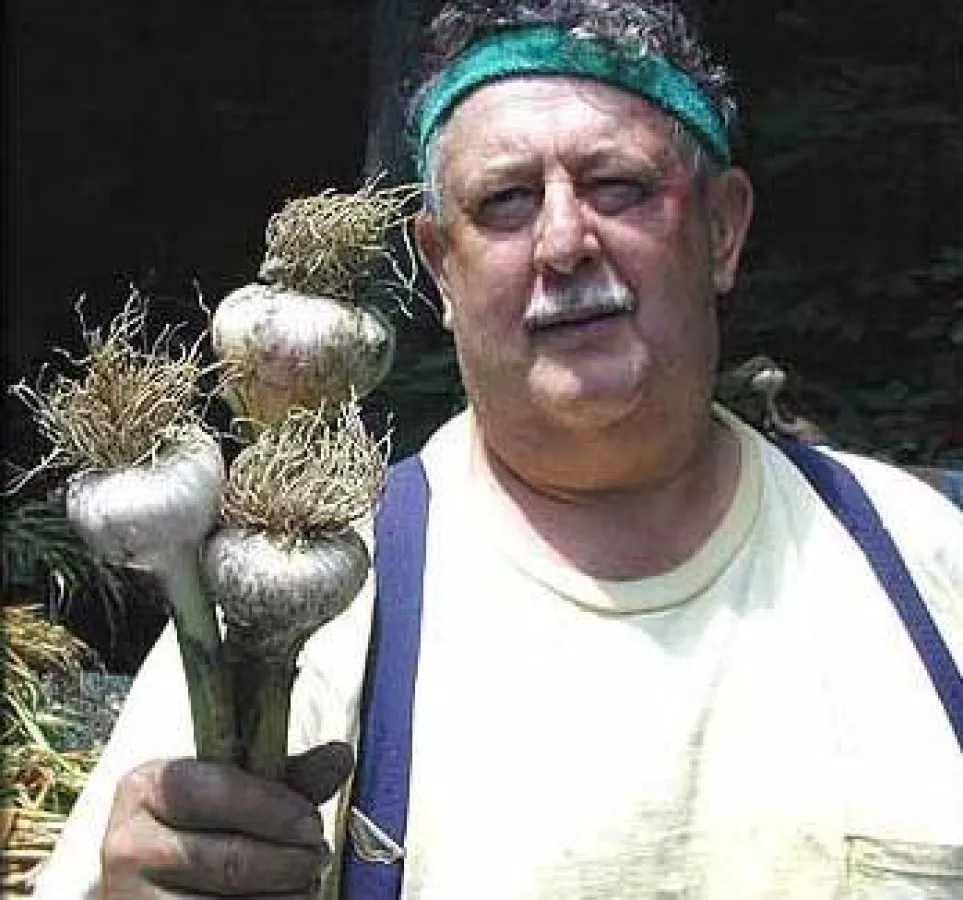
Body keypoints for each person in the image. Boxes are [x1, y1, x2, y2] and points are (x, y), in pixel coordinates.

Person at [35, 1, 963, 897]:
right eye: (507, 202)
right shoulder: (301, 612)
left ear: (721, 229)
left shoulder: (928, 559)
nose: (563, 241)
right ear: (440, 267)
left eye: (617, 188)